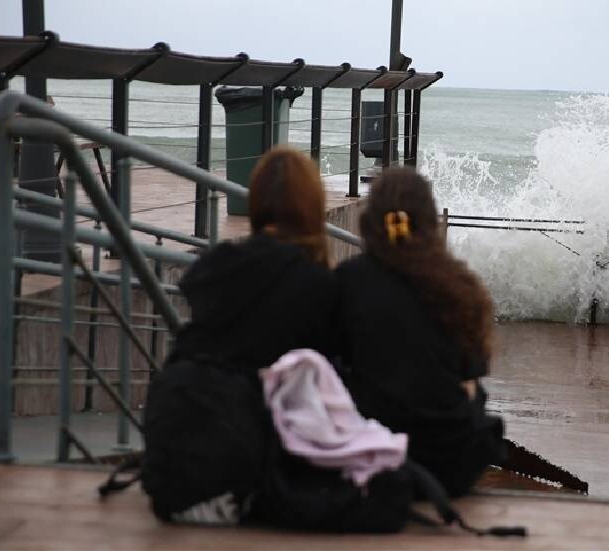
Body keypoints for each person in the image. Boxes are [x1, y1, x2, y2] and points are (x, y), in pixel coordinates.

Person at [336, 167, 505, 496]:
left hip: (372, 457)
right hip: (448, 466)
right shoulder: (460, 286)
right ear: (429, 222)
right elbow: (470, 379)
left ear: (371, 224)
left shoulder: (348, 279)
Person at [171, 146, 336, 375]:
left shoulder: (217, 266)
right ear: (313, 206)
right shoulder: (319, 284)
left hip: (200, 401)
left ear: (256, 199)